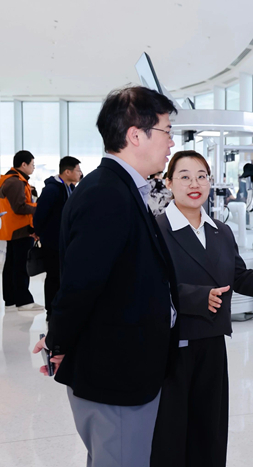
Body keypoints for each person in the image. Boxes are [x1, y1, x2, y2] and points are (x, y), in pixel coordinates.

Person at [32, 86, 180, 467]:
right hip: (116, 377)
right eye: (166, 131)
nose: (171, 142)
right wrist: (58, 340)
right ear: (136, 135)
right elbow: (80, 284)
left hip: (124, 370)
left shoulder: (121, 188)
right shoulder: (107, 194)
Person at [150, 150, 253, 467]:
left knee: (210, 429)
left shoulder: (221, 231)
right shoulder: (155, 230)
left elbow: (238, 276)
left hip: (212, 342)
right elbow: (148, 287)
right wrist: (196, 297)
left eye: (202, 176)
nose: (195, 184)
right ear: (168, 183)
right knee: (171, 434)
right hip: (171, 347)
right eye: (185, 177)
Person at [33, 156, 82, 321]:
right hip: (53, 242)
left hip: (67, 241)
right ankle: (51, 311)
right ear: (67, 172)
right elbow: (40, 215)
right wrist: (41, 233)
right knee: (53, 276)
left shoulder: (71, 188)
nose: (80, 173)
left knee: (64, 275)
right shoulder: (52, 190)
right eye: (78, 170)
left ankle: (63, 308)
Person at [0, 150, 42, 311]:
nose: (33, 167)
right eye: (32, 164)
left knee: (12, 265)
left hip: (13, 228)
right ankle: (24, 301)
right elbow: (19, 207)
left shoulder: (12, 179)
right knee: (20, 266)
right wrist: (38, 207)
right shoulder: (16, 182)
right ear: (23, 164)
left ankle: (11, 299)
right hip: (20, 229)